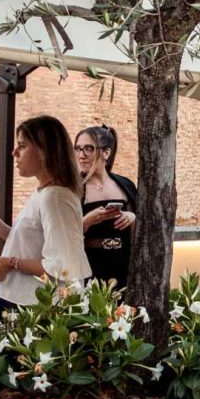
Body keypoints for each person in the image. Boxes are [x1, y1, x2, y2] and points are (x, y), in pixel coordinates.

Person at [0, 114, 89, 321]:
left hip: (35, 310)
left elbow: (60, 268)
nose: (14, 152)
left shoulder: (55, 198)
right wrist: (1, 229)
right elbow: (39, 246)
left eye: (22, 145)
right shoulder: (46, 194)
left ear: (44, 151)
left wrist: (8, 262)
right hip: (23, 303)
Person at [73, 123, 138, 291]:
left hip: (124, 265)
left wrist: (133, 218)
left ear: (106, 152)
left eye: (88, 148)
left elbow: (145, 232)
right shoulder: (74, 188)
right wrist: (86, 222)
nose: (81, 155)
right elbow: (60, 236)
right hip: (89, 266)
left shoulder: (125, 185)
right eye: (78, 149)